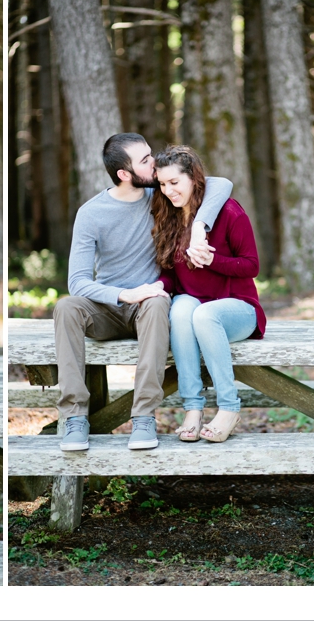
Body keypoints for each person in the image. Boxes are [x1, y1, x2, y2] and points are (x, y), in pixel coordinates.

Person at [54, 133, 233, 451]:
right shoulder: (91, 213)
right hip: (108, 307)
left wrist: (198, 227)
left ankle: (143, 417)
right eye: (145, 160)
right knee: (67, 307)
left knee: (156, 302)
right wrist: (125, 294)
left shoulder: (161, 195)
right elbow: (78, 282)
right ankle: (75, 417)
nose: (155, 163)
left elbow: (220, 184)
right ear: (124, 174)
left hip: (149, 306)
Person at [153, 145, 266, 443]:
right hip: (194, 304)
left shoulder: (229, 211)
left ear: (193, 178)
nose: (168, 191)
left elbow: (251, 265)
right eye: (162, 184)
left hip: (238, 309)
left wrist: (213, 260)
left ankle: (229, 407)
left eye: (174, 183)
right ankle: (193, 408)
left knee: (203, 314)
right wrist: (159, 287)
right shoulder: (169, 215)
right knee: (179, 309)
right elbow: (169, 269)